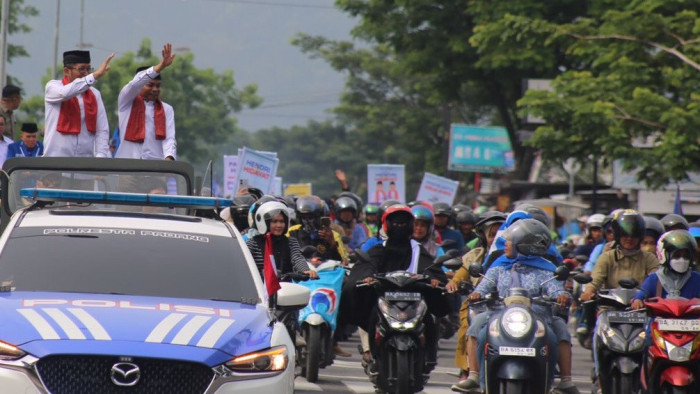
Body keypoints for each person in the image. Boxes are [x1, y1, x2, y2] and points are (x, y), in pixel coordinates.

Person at [455, 219, 578, 394]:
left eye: (510, 241)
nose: (505, 244)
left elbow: (557, 289)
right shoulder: (498, 267)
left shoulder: (546, 270)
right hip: (499, 315)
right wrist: (477, 294)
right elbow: (482, 287)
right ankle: (476, 377)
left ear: (524, 244)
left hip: (538, 318)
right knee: (479, 329)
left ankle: (557, 383)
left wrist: (562, 296)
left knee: (553, 336)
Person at [340, 205, 448, 373]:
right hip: (385, 302)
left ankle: (429, 357)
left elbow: (430, 269)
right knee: (371, 314)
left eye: (404, 223)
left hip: (414, 302)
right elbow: (367, 265)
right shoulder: (378, 249)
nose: (400, 227)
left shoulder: (418, 250)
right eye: (396, 224)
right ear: (386, 226)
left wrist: (435, 281)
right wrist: (367, 278)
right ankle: (372, 354)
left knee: (429, 318)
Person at [446, 210, 505, 387]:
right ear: (483, 235)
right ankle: (469, 371)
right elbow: (462, 273)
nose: (496, 238)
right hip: (480, 306)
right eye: (492, 234)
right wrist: (454, 282)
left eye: (501, 234)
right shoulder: (476, 255)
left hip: (511, 307)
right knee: (468, 328)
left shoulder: (516, 255)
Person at [43, 50, 114, 157]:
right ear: (67, 71)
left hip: (84, 164)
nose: (86, 73)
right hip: (56, 161)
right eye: (81, 69)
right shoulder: (53, 87)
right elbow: (65, 93)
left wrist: (101, 156)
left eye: (88, 69)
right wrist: (94, 76)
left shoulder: (95, 94)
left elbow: (102, 129)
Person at [115, 43, 177, 160]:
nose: (155, 89)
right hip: (128, 166)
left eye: (158, 86)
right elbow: (134, 84)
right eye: (150, 85)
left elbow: (169, 138)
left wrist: (169, 157)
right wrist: (161, 66)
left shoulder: (167, 109)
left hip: (155, 168)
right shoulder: (126, 101)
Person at [630, 230, 700, 310]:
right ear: (664, 256)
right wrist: (637, 301)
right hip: (658, 320)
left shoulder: (696, 279)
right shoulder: (655, 279)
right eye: (677, 256)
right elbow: (641, 295)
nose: (682, 260)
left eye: (685, 256)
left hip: (690, 320)